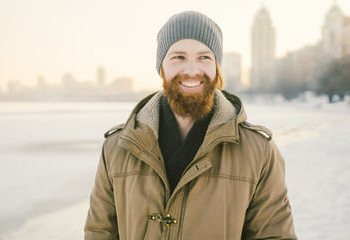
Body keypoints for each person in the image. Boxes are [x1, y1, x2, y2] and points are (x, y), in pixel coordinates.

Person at [84, 11, 296, 239]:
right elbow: (99, 232)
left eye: (204, 57)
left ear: (217, 66)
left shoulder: (259, 152)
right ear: (162, 67)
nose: (192, 70)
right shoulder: (117, 148)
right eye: (179, 57)